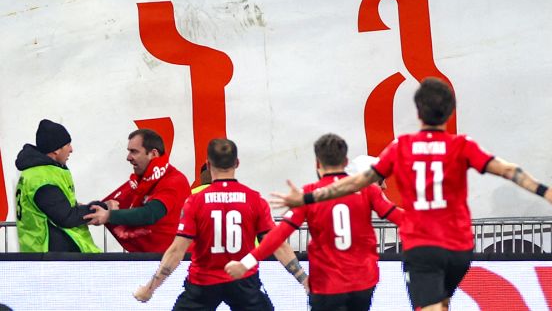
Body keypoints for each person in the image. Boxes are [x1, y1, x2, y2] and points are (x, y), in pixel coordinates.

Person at [271, 77, 552, 311]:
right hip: (460, 248)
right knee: (439, 303)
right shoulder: (463, 145)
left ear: (417, 111)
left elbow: (355, 183)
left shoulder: (400, 147)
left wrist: (308, 198)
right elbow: (506, 169)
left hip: (423, 247)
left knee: (429, 306)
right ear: (450, 112)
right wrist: (545, 191)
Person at [225, 133, 403, 310]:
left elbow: (278, 236)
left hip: (327, 283)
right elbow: (399, 217)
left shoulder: (309, 195)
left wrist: (245, 263)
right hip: (363, 281)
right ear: (346, 162)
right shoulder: (369, 192)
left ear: (318, 163)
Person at [133, 138, 307, 307]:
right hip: (244, 282)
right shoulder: (254, 199)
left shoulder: (195, 201)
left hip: (202, 283)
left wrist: (150, 289)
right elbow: (278, 245)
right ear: (237, 163)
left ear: (208, 165)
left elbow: (177, 250)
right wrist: (305, 281)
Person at [84, 128, 191, 254]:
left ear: (153, 154)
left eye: (134, 152)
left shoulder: (174, 181)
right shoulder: (142, 181)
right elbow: (115, 203)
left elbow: (150, 214)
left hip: (173, 262)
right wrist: (85, 210)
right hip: (153, 260)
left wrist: (108, 216)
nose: (128, 158)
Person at [14, 119, 102, 253]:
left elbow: (58, 208)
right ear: (56, 150)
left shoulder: (36, 173)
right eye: (67, 144)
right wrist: (101, 207)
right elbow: (66, 217)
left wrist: (79, 207)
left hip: (44, 255)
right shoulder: (42, 178)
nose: (71, 149)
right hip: (51, 258)